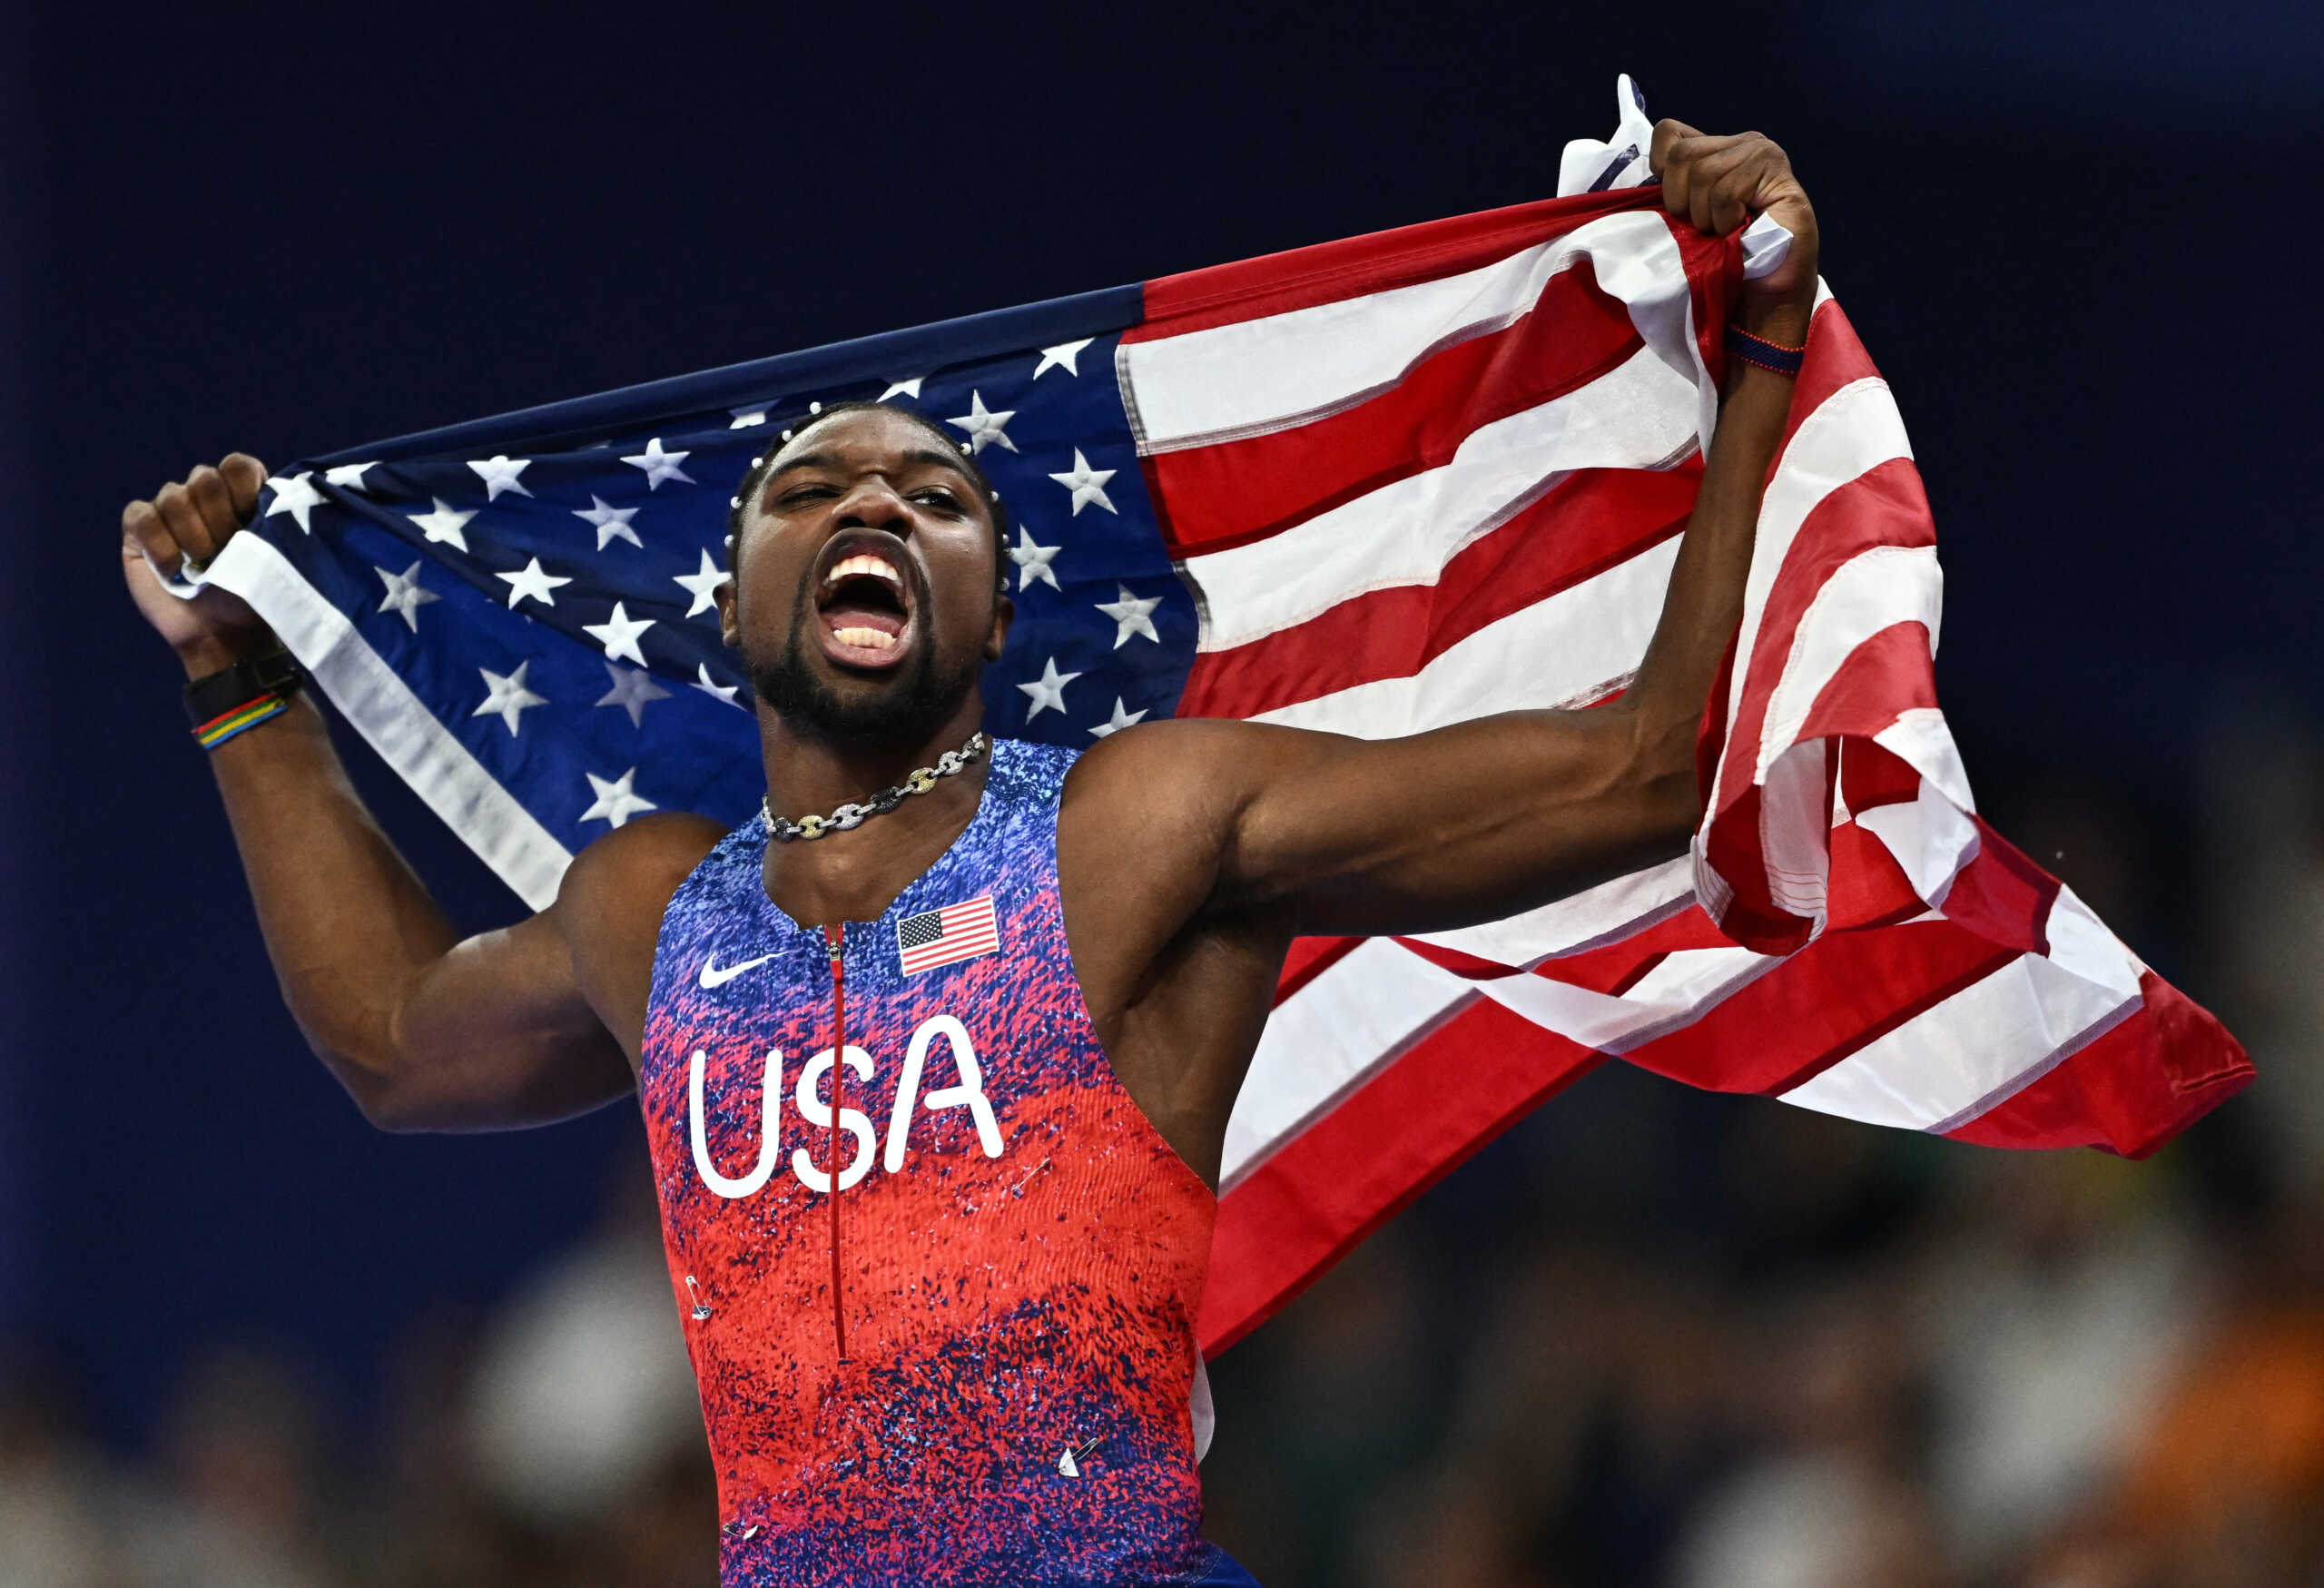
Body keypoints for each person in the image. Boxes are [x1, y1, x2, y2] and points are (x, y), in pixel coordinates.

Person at [117, 120, 1818, 1588]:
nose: (871, 502)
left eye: (933, 496)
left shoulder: (1131, 829)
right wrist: (239, 683)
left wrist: (1755, 360)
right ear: (733, 609)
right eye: (812, 490)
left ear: (995, 610)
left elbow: (1631, 779)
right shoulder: (654, 907)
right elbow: (395, 1044)